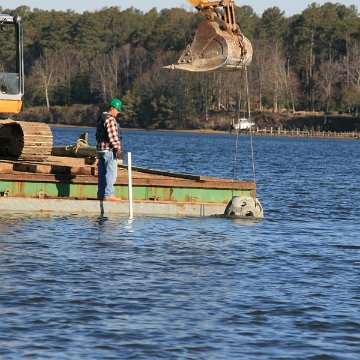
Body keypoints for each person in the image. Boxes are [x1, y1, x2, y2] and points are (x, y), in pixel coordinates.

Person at [96, 98, 122, 200]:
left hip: (100, 150)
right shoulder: (110, 119)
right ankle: (109, 195)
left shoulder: (101, 117)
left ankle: (101, 194)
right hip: (108, 150)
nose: (118, 112)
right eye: (118, 110)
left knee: (102, 174)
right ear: (113, 108)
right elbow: (113, 136)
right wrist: (117, 147)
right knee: (111, 173)